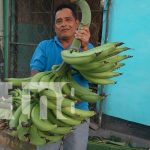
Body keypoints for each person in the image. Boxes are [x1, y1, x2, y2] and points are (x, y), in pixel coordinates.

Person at [30, 3, 94, 150]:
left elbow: (90, 75)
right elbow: (35, 73)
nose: (63, 24)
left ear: (77, 23)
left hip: (78, 113)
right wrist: (54, 92)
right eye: (59, 21)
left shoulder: (88, 48)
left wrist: (84, 48)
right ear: (54, 26)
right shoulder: (44, 46)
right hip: (49, 112)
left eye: (68, 20)